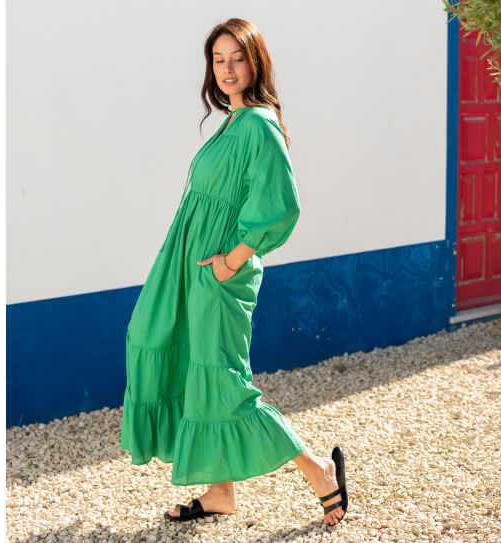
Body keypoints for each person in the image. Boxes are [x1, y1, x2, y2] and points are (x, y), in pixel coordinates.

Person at [120, 18, 348, 526]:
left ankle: (318, 472)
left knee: (223, 380)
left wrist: (231, 260)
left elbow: (281, 207)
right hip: (190, 267)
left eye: (236, 58)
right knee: (174, 356)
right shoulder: (231, 121)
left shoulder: (259, 124)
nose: (226, 69)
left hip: (220, 274)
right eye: (218, 60)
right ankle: (220, 493)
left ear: (255, 62)